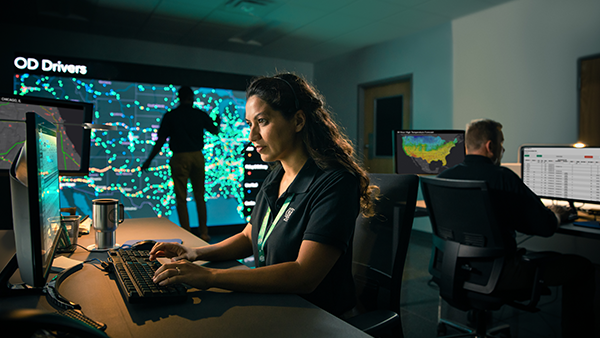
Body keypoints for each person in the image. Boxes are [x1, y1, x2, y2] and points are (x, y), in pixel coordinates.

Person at [149, 72, 376, 317]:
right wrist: (196, 253)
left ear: (298, 121)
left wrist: (211, 276)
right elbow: (250, 235)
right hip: (275, 305)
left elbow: (304, 276)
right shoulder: (275, 176)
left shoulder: (335, 182)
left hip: (316, 317)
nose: (252, 136)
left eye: (263, 121)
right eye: (249, 124)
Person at [438, 118, 596, 337]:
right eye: (501, 143)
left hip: (453, 270)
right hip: (501, 276)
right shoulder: (503, 179)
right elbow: (545, 226)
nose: (502, 149)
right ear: (490, 146)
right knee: (583, 267)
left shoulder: (444, 177)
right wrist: (558, 215)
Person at [141, 86, 220, 242]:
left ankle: (187, 233)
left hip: (179, 158)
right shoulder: (199, 114)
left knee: (181, 198)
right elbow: (215, 131)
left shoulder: (171, 116)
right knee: (200, 196)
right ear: (192, 98)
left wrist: (149, 160)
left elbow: (161, 140)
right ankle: (204, 233)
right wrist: (217, 121)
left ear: (178, 97)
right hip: (197, 157)